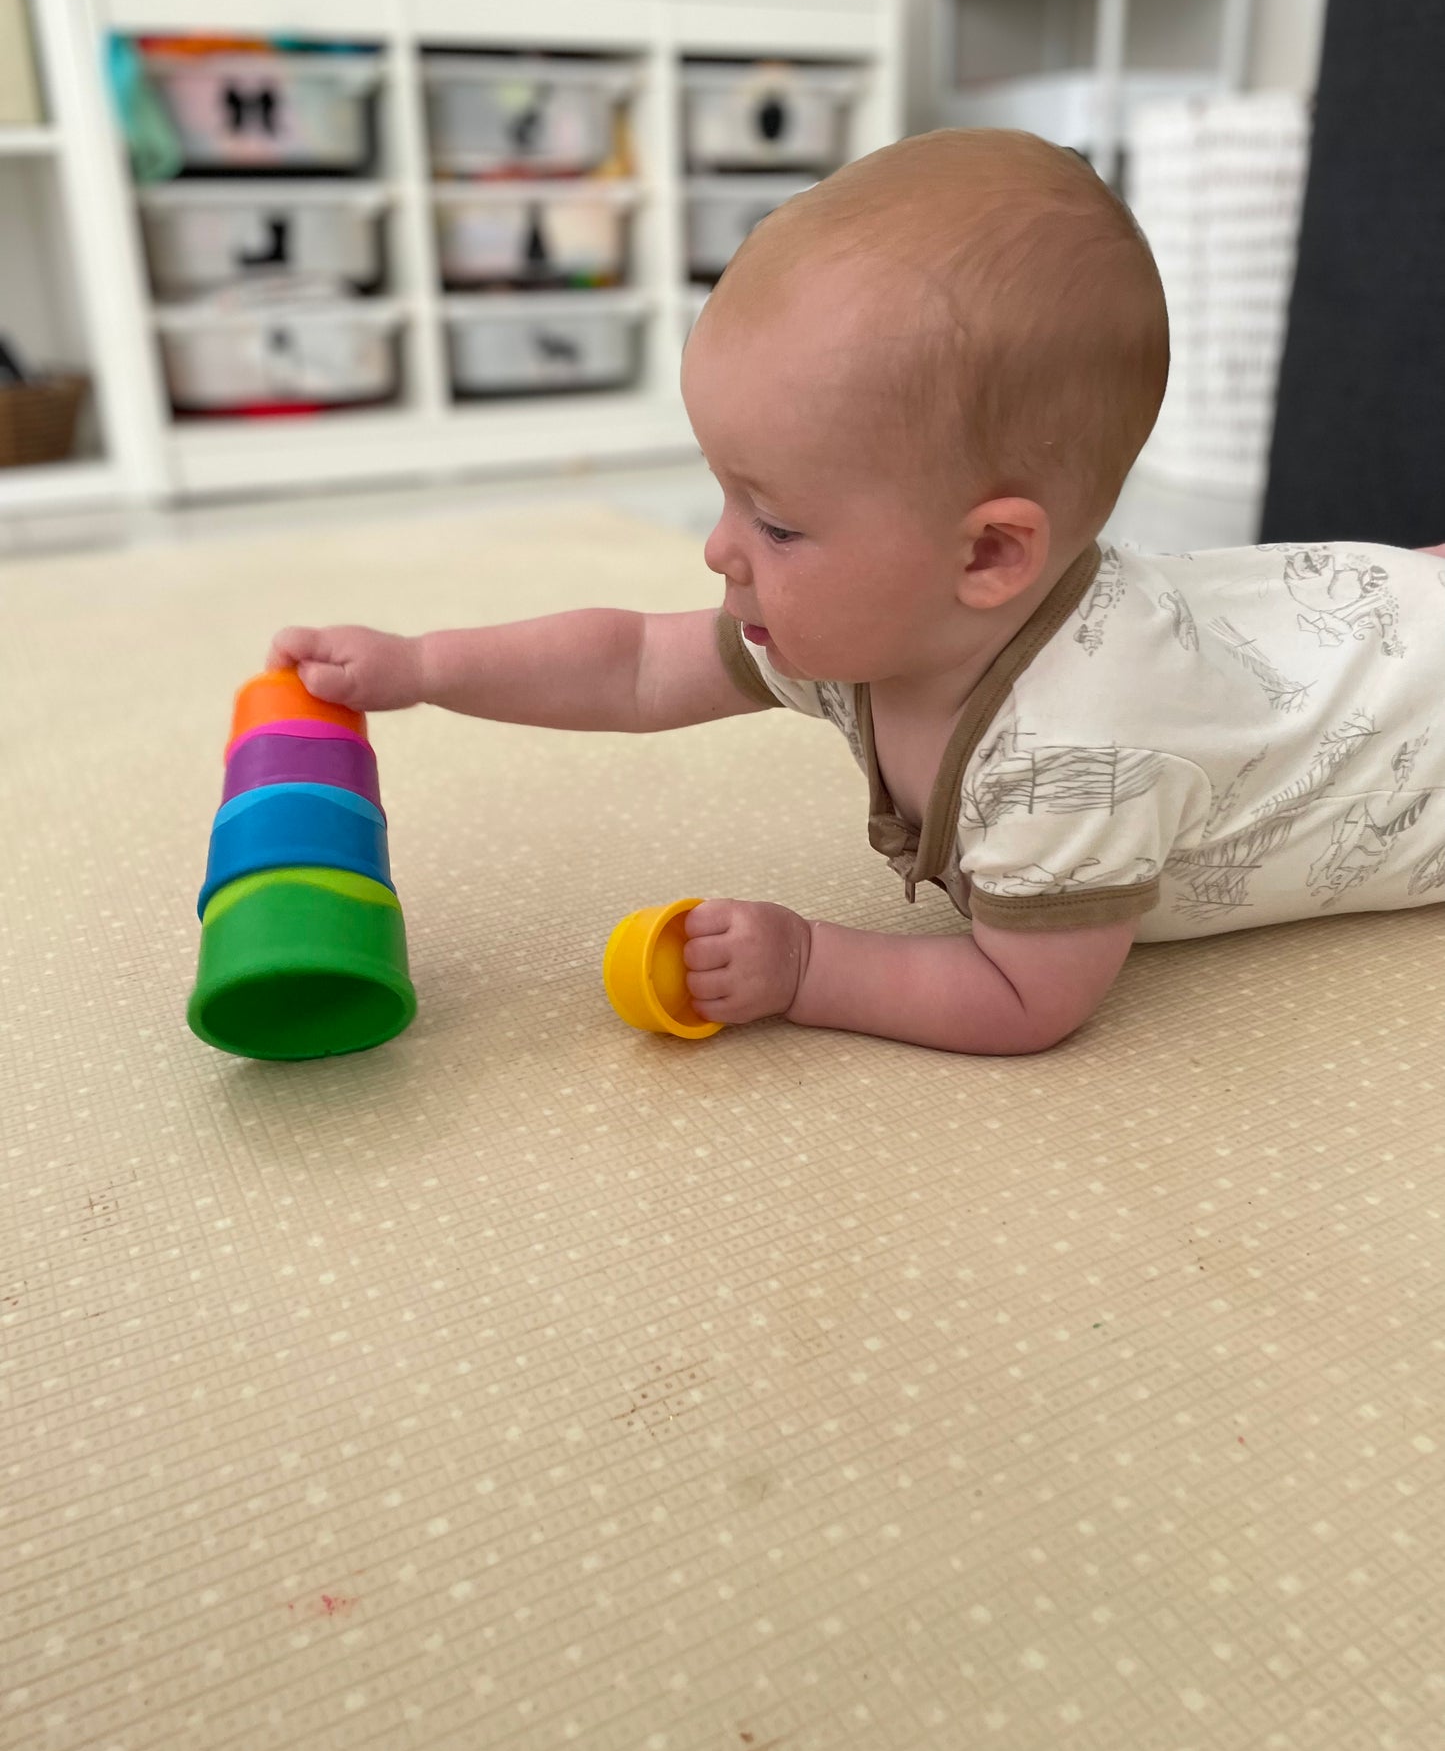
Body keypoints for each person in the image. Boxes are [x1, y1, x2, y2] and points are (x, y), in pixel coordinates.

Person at [267, 130, 1445, 1056]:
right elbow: (631, 664)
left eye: (775, 524)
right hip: (1346, 616)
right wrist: (421, 666)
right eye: (726, 498)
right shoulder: (866, 627)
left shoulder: (1074, 754)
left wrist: (806, 966)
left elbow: (1027, 997)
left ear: (985, 558)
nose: (719, 551)